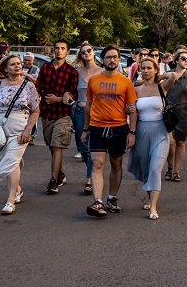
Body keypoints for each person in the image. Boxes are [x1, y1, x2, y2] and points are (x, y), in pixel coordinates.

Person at [82, 44, 138, 217]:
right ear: (102, 59)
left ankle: (112, 198)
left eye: (115, 57)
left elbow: (132, 108)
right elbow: (89, 105)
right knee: (98, 164)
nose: (112, 60)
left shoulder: (125, 82)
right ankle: (98, 202)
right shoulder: (94, 80)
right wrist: (86, 129)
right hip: (97, 127)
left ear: (119, 60)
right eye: (108, 57)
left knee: (116, 164)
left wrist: (132, 132)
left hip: (119, 128)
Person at [0, 54, 41, 215]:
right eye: (13, 64)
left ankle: (10, 200)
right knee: (12, 162)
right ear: (5, 68)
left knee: (11, 159)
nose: (17, 66)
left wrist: (28, 130)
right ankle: (18, 189)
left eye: (19, 64)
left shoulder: (28, 86)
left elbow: (35, 110)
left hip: (20, 127)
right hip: (0, 128)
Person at [128, 58, 177, 219]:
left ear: (155, 69)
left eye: (149, 68)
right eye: (143, 68)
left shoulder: (162, 87)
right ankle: (150, 199)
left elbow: (173, 75)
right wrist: (132, 133)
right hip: (142, 131)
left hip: (160, 132)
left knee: (155, 168)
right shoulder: (136, 90)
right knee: (147, 168)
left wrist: (159, 76)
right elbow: (133, 113)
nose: (146, 70)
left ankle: (153, 208)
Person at [35, 40, 78, 194]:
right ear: (53, 50)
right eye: (57, 48)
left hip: (63, 114)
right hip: (46, 113)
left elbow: (74, 94)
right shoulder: (45, 68)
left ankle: (53, 181)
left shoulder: (71, 71)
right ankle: (59, 173)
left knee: (57, 145)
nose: (59, 51)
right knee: (52, 147)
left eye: (62, 48)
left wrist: (59, 99)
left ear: (67, 51)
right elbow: (38, 87)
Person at [164, 50, 187, 181]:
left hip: (184, 112)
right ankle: (170, 167)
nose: (186, 61)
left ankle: (176, 171)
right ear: (176, 60)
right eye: (183, 59)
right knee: (169, 142)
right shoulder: (168, 75)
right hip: (169, 112)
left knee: (181, 142)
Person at [71, 43, 100, 187]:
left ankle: (89, 179)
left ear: (94, 52)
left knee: (91, 148)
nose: (87, 53)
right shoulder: (77, 71)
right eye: (83, 52)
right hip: (79, 111)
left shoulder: (102, 71)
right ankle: (90, 170)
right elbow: (71, 91)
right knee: (82, 147)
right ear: (81, 55)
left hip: (97, 112)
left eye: (89, 50)